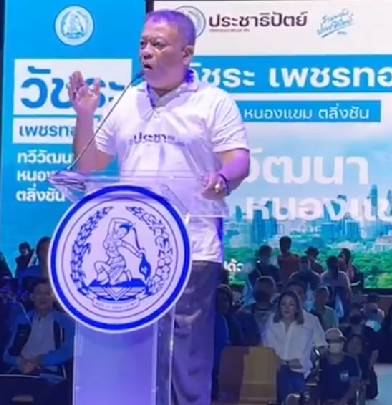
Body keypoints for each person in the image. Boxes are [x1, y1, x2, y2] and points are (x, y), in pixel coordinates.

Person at [67, 10, 250, 405]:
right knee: (134, 354)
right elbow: (89, 165)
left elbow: (239, 159)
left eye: (158, 44)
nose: (146, 52)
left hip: (192, 247)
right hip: (136, 250)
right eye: (143, 44)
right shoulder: (126, 101)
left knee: (184, 356)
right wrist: (84, 116)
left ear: (186, 54)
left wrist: (223, 177)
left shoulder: (213, 102)